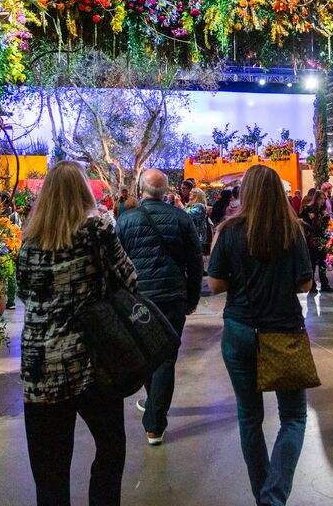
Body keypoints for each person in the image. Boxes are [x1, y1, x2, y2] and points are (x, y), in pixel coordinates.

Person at [15, 161, 138, 506]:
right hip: (91, 363)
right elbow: (131, 280)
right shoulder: (98, 231)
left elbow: (24, 293)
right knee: (111, 447)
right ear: (84, 191)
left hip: (40, 369)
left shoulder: (29, 244)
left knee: (49, 472)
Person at [207, 165, 314, 506]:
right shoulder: (293, 230)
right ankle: (274, 495)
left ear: (245, 193)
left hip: (240, 330)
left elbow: (215, 284)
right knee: (294, 417)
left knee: (249, 417)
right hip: (282, 330)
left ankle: (264, 495)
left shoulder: (229, 230)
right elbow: (305, 282)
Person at [115, 169, 204, 445]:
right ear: (166, 192)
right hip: (172, 297)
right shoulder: (181, 218)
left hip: (138, 299)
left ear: (141, 190)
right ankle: (155, 419)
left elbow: (116, 263)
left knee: (145, 353)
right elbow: (195, 261)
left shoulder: (125, 220)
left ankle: (154, 416)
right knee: (166, 357)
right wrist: (192, 298)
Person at [299, 189, 333, 293]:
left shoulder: (323, 210)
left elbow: (326, 224)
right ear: (317, 198)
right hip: (312, 239)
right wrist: (310, 218)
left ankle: (325, 284)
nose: (324, 201)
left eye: (325, 199)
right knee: (313, 263)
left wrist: (326, 217)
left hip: (322, 238)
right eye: (322, 198)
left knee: (323, 263)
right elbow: (302, 221)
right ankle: (312, 285)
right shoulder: (309, 209)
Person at [185, 188, 211, 253]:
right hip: (190, 235)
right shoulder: (190, 206)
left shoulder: (199, 206)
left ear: (197, 195)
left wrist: (179, 204)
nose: (190, 192)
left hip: (197, 236)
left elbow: (187, 216)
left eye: (192, 192)